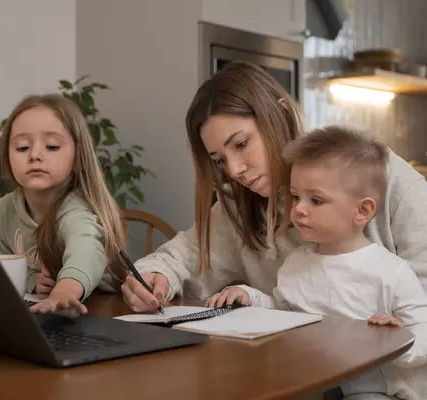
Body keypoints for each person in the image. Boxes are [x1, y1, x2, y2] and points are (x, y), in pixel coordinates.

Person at [121, 60, 427, 313]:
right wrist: (155, 274)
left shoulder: (386, 175)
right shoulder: (237, 207)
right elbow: (184, 255)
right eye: (219, 160)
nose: (235, 170)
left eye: (241, 144)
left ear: (280, 112)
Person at [214, 126, 427, 400]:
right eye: (296, 197)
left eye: (316, 200)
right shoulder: (295, 263)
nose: (299, 209)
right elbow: (283, 310)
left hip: (371, 389)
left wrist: (393, 342)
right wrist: (250, 296)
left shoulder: (391, 272)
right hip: (311, 381)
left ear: (362, 211)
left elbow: (423, 333)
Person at [0, 93, 128, 317]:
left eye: (52, 147)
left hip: (100, 313)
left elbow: (85, 252)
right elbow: (8, 272)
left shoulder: (76, 210)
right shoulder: (2, 210)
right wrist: (35, 282)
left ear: (77, 159)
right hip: (45, 315)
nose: (34, 155)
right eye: (22, 147)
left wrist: (64, 291)